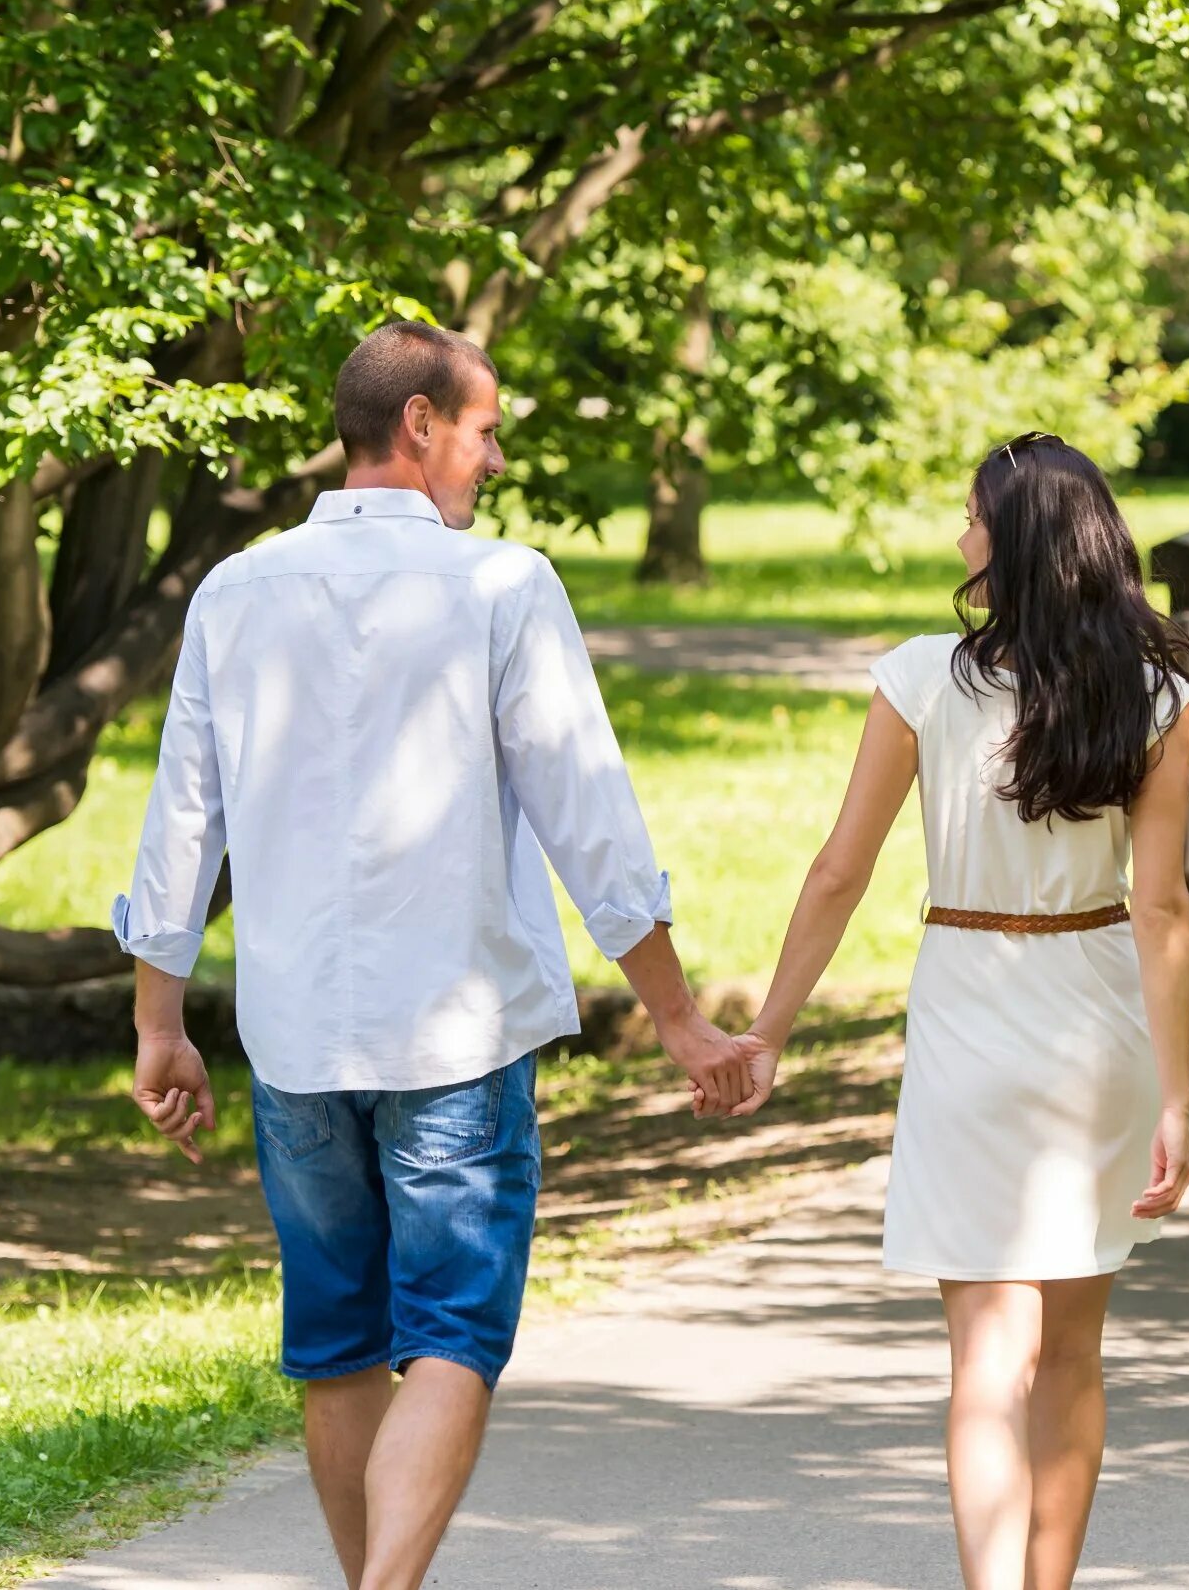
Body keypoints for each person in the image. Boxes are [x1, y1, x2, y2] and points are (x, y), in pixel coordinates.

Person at [114, 319, 753, 1590]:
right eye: (483, 431)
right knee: (452, 1334)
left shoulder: (234, 593)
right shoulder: (503, 587)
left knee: (337, 1343)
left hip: (295, 1039)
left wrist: (159, 1020)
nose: (495, 459)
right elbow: (592, 818)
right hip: (455, 1041)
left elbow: (181, 820)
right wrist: (679, 1019)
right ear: (417, 427)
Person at [732, 430, 1189, 1590]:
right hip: (1095, 1021)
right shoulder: (1158, 696)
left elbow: (838, 871)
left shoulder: (919, 679)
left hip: (964, 1009)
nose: (959, 538)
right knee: (1073, 1359)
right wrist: (1178, 1101)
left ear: (1012, 545)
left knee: (983, 1363)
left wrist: (771, 1028)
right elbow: (1161, 912)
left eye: (970, 518)